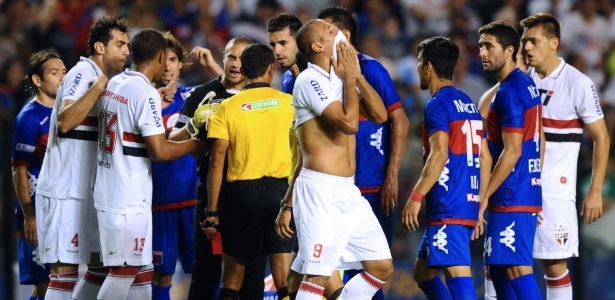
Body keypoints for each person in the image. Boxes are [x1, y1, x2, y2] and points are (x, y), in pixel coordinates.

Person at [275, 19, 393, 300]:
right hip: (320, 192)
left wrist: (357, 76)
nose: (336, 31)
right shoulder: (308, 80)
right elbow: (348, 123)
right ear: (317, 46)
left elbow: (380, 115)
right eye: (329, 30)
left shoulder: (340, 79)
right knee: (318, 276)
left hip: (348, 192)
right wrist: (350, 79)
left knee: (381, 266)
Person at [93, 28, 204, 300]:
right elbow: (159, 151)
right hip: (129, 199)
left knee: (142, 273)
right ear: (158, 57)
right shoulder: (145, 92)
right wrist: (196, 145)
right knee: (123, 274)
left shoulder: (115, 83)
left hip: (112, 191)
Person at [317, 6, 410, 299]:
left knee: (369, 270)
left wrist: (392, 176)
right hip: (338, 188)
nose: (321, 38)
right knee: (332, 269)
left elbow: (400, 120)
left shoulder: (371, 68)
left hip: (371, 187)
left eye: (327, 31)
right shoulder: (322, 75)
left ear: (344, 36)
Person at [35, 17, 129, 300]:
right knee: (64, 271)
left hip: (88, 191)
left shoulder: (109, 81)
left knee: (100, 267)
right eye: (120, 44)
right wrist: (98, 88)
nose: (127, 51)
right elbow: (65, 120)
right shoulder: (81, 72)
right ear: (100, 47)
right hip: (65, 191)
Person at [169, 37, 268, 300]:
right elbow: (171, 138)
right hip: (214, 193)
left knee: (252, 272)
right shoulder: (202, 94)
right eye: (230, 57)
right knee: (207, 270)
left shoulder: (262, 96)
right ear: (223, 58)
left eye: (241, 58)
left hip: (252, 193)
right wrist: (192, 128)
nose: (235, 64)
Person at [520, 13, 610, 300]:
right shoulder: (524, 81)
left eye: (533, 41)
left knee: (554, 265)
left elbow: (602, 137)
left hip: (556, 192)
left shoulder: (577, 83)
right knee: (511, 263)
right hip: (521, 187)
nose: (526, 48)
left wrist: (594, 191)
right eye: (524, 42)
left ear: (553, 43)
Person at [201, 43, 295, 300]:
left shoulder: (228, 107)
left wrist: (212, 211)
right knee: (284, 278)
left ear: (243, 69)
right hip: (279, 193)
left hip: (241, 194)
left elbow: (216, 161)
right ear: (270, 70)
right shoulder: (289, 104)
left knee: (232, 276)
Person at [401, 36, 491, 300]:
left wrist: (416, 197)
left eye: (419, 62)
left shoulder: (437, 104)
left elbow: (439, 154)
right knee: (423, 273)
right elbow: (485, 158)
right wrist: (479, 202)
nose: (418, 68)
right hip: (466, 200)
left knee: (458, 276)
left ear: (428, 67)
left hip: (448, 204)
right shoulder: (469, 105)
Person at [478, 21, 543, 299]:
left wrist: (484, 196)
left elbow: (513, 150)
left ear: (509, 51)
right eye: (481, 46)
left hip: (511, 194)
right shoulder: (523, 83)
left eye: (489, 46)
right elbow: (539, 140)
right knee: (500, 269)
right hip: (519, 191)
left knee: (516, 269)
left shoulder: (510, 92)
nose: (482, 52)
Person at [11, 49, 66, 300]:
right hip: (38, 210)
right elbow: (18, 169)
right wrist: (29, 216)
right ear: (37, 80)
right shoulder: (29, 118)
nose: (61, 78)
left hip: (61, 207)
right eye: (54, 73)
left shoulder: (68, 112)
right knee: (43, 286)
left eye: (64, 72)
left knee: (63, 278)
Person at [149, 31, 200, 300]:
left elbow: (234, 94)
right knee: (162, 275)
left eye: (172, 59)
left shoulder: (195, 96)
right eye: (161, 60)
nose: (167, 66)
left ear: (181, 63)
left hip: (194, 202)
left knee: (204, 269)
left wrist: (215, 66)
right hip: (158, 202)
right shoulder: (143, 102)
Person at [267, 13, 303, 95]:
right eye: (273, 45)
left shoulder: (316, 75)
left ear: (299, 41)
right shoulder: (286, 77)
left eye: (283, 43)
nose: (276, 51)